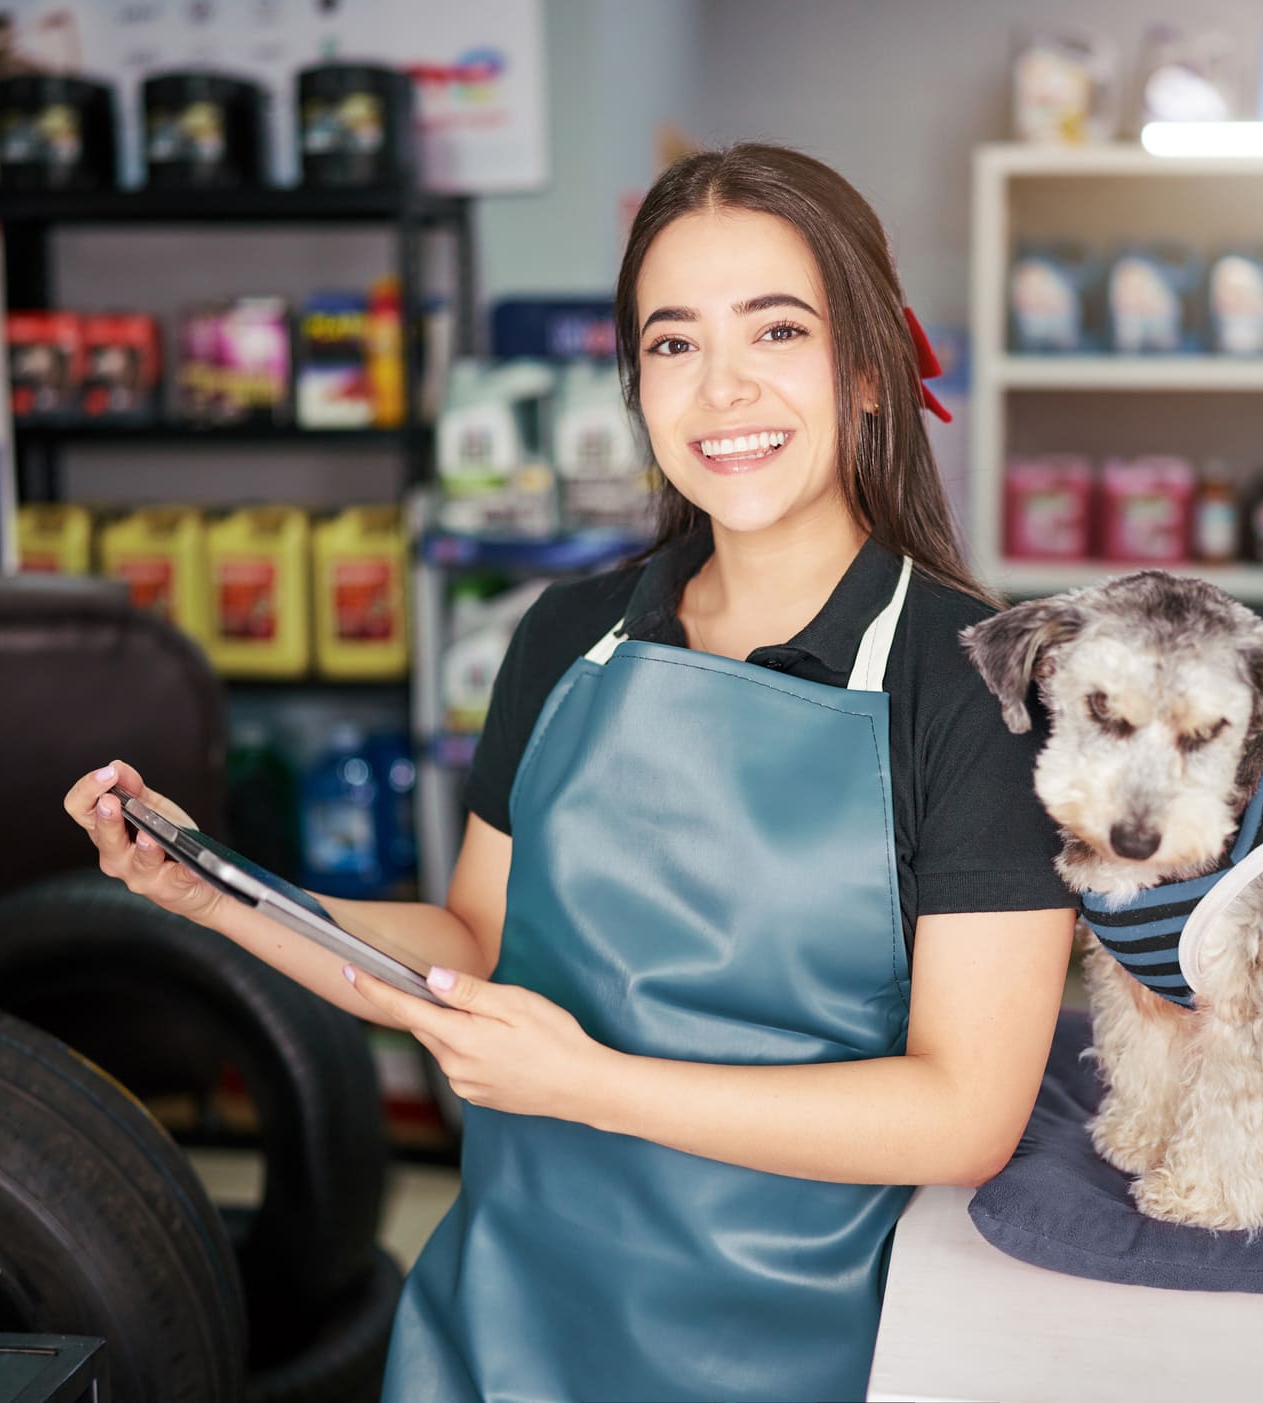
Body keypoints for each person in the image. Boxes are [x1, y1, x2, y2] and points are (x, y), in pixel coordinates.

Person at [65, 142, 1077, 1403]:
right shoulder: (566, 634)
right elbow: (467, 943)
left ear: (865, 368)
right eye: (671, 344)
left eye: (774, 330)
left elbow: (962, 1109)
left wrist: (589, 1085)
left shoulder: (977, 686)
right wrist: (221, 891)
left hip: (812, 1345)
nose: (721, 390)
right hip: (511, 1311)